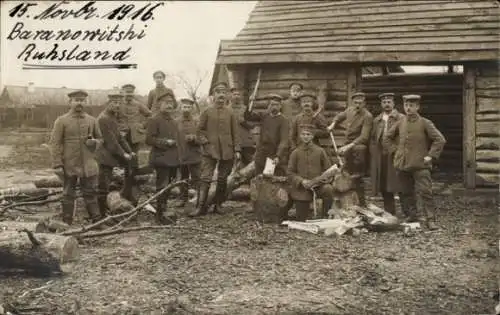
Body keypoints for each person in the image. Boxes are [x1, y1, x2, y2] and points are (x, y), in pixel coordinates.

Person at [385, 94, 446, 230]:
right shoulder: (400, 122)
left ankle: (431, 220)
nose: (408, 108)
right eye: (406, 105)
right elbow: (387, 138)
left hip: (420, 165)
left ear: (418, 107)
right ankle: (412, 216)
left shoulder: (425, 123)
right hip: (403, 164)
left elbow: (440, 139)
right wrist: (396, 151)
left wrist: (431, 155)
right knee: (406, 192)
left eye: (411, 105)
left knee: (426, 192)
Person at [49, 90, 102, 225]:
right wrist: (57, 164)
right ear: (70, 102)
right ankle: (67, 222)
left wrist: (94, 143)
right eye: (77, 100)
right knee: (68, 193)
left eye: (82, 100)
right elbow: (54, 144)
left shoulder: (92, 120)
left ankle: (96, 220)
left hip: (88, 164)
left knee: (90, 193)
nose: (80, 103)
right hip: (69, 164)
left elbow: (101, 139)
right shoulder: (61, 121)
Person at [189, 81, 241, 216]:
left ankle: (218, 205)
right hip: (209, 151)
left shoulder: (230, 112)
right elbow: (199, 131)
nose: (221, 95)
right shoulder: (207, 111)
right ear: (213, 95)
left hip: (227, 150)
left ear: (227, 95)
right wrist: (206, 144)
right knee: (205, 178)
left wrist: (237, 149)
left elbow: (235, 132)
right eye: (218, 92)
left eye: (224, 92)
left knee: (223, 179)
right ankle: (200, 207)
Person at [327, 92, 373, 207]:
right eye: (356, 102)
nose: (358, 105)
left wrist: (347, 147)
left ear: (364, 103)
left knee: (357, 177)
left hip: (359, 149)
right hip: (348, 147)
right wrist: (333, 123)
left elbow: (364, 137)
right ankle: (345, 204)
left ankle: (361, 205)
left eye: (360, 103)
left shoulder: (367, 116)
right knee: (344, 174)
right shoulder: (349, 110)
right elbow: (339, 116)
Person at [145, 90, 183, 224]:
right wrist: (165, 142)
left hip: (173, 160)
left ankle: (164, 211)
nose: (169, 105)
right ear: (159, 104)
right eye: (166, 103)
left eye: (171, 103)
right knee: (162, 187)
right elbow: (149, 140)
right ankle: (160, 214)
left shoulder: (173, 121)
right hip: (161, 159)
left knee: (169, 187)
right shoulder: (154, 120)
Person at [95, 91, 134, 218]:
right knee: (103, 186)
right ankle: (101, 216)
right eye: (114, 103)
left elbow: (120, 138)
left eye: (119, 103)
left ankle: (106, 211)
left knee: (108, 184)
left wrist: (129, 151)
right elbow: (112, 142)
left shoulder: (112, 117)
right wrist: (123, 154)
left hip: (110, 155)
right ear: (108, 103)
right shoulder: (103, 118)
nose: (117, 105)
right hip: (105, 156)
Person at [288, 124, 334, 221]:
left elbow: (329, 170)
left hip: (318, 187)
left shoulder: (320, 151)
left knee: (328, 189)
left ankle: (325, 216)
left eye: (308, 134)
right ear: (300, 136)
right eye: (303, 134)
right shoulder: (295, 152)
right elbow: (290, 172)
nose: (305, 136)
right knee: (301, 219)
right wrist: (301, 181)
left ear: (312, 136)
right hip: (302, 189)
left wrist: (324, 179)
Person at [369, 93, 404, 215]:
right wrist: (374, 152)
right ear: (381, 104)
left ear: (394, 103)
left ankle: (409, 213)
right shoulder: (377, 120)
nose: (387, 104)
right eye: (384, 102)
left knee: (400, 183)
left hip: (396, 154)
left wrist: (398, 150)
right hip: (381, 155)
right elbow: (373, 138)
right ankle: (390, 212)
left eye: (389, 101)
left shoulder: (401, 118)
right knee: (384, 183)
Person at [118, 84, 152, 204]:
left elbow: (149, 115)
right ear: (123, 92)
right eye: (127, 92)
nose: (129, 94)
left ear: (133, 93)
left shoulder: (138, 104)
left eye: (131, 92)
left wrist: (142, 126)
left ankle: (130, 192)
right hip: (121, 137)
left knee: (133, 163)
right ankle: (122, 189)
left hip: (134, 137)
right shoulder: (118, 104)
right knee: (121, 162)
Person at [244, 93, 289, 176]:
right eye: (272, 104)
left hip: (273, 153)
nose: (274, 107)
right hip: (261, 153)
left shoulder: (284, 120)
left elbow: (284, 140)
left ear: (280, 106)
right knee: (258, 176)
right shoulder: (264, 115)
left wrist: (278, 156)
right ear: (269, 106)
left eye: (277, 105)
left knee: (268, 177)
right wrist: (250, 102)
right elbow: (248, 116)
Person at [176, 98, 202, 207]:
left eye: (188, 107)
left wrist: (194, 138)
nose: (186, 109)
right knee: (183, 178)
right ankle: (183, 199)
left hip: (195, 155)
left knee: (197, 178)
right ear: (180, 108)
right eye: (184, 107)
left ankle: (200, 199)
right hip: (181, 154)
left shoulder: (197, 121)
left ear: (192, 109)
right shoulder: (176, 122)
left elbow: (203, 137)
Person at [230, 88, 255, 168]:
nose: (236, 96)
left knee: (249, 164)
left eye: (238, 94)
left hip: (246, 142)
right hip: (232, 142)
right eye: (234, 94)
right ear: (230, 96)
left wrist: (244, 123)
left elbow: (253, 123)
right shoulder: (227, 110)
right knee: (232, 165)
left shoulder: (245, 108)